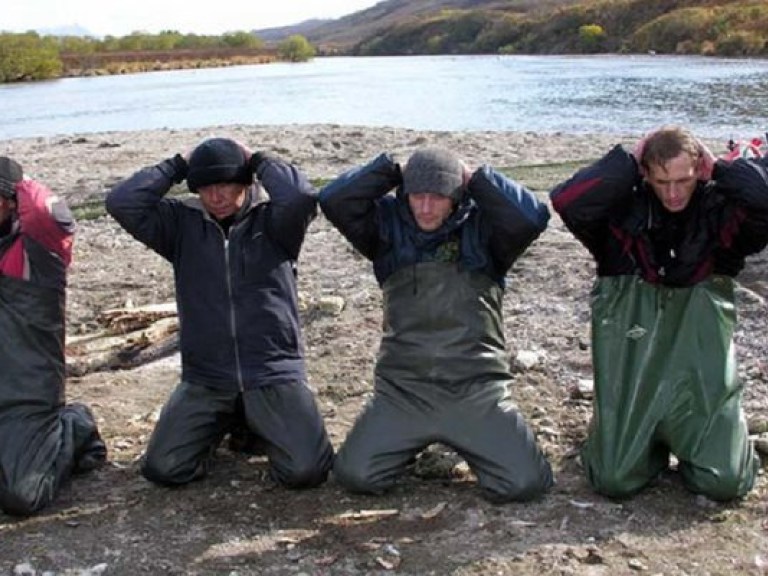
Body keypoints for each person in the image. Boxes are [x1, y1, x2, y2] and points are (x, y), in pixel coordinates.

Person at [319, 147, 554, 502]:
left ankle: (466, 441)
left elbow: (532, 217)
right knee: (356, 475)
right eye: (417, 195)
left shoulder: (487, 231)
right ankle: (416, 442)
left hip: (477, 391)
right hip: (404, 392)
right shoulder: (386, 228)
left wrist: (475, 177)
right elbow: (333, 199)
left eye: (438, 197)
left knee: (525, 483)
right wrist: (394, 170)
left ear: (457, 195)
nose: (426, 208)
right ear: (405, 193)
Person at [550, 126, 768, 501]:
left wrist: (718, 169)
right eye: (662, 181)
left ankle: (717, 436)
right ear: (646, 175)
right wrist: (629, 161)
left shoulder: (721, 218)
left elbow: (764, 199)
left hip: (699, 384)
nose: (673, 193)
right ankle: (626, 442)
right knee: (613, 480)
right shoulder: (616, 222)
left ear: (697, 171)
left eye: (683, 180)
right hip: (633, 383)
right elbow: (567, 200)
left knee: (726, 482)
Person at [105, 137, 333, 488]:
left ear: (245, 182)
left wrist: (256, 157)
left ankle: (252, 423)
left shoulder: (276, 223)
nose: (217, 197)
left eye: (226, 184)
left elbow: (300, 195)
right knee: (164, 469)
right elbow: (122, 201)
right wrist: (179, 163)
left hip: (271, 370)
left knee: (306, 471)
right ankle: (225, 426)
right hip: (206, 376)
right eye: (207, 188)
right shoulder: (180, 226)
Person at [0, 156, 106, 516]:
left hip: (27, 397)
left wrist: (15, 178)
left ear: (11, 201)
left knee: (22, 495)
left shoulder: (40, 247)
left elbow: (47, 209)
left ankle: (74, 426)